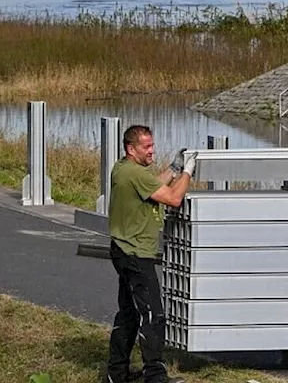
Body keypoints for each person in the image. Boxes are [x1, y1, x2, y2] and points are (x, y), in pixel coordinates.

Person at [105, 125, 195, 383]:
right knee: (153, 314)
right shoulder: (135, 173)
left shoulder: (123, 168)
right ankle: (155, 376)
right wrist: (188, 172)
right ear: (130, 148)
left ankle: (116, 374)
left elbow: (153, 186)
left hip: (122, 250)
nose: (152, 151)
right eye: (146, 147)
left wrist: (174, 169)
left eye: (153, 146)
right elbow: (174, 198)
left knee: (129, 314)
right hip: (136, 255)